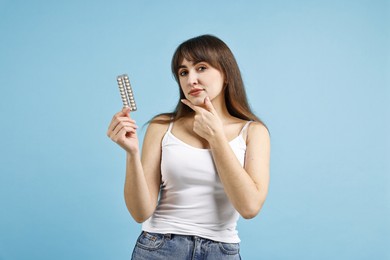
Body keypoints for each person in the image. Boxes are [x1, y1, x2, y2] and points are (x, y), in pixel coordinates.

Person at [107, 34, 270, 260]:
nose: (191, 79)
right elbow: (139, 212)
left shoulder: (253, 132)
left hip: (221, 251)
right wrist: (131, 153)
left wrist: (216, 139)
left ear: (225, 74)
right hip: (159, 247)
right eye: (183, 72)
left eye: (201, 68)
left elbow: (249, 207)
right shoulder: (162, 126)